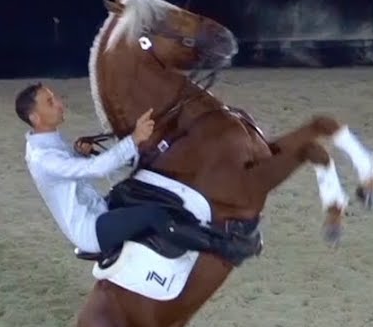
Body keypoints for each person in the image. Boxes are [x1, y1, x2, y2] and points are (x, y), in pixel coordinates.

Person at [15, 82, 254, 264]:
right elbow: (95, 169)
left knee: (138, 187)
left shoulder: (47, 141)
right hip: (90, 229)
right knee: (153, 215)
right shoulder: (43, 157)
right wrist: (134, 139)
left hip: (99, 207)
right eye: (50, 102)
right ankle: (225, 248)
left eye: (55, 97)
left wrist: (79, 154)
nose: (59, 103)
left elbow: (71, 176)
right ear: (35, 118)